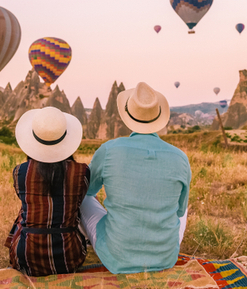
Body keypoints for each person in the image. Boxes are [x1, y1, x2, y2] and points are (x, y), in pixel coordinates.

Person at [80, 82, 191, 274]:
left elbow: (87, 190)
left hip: (116, 255)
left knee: (82, 198)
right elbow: (180, 211)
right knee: (185, 209)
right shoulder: (180, 157)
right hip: (165, 257)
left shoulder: (109, 150)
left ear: (127, 116)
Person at [4, 107, 90, 276]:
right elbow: (79, 200)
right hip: (69, 258)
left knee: (26, 209)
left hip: (26, 258)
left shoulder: (20, 172)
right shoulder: (82, 172)